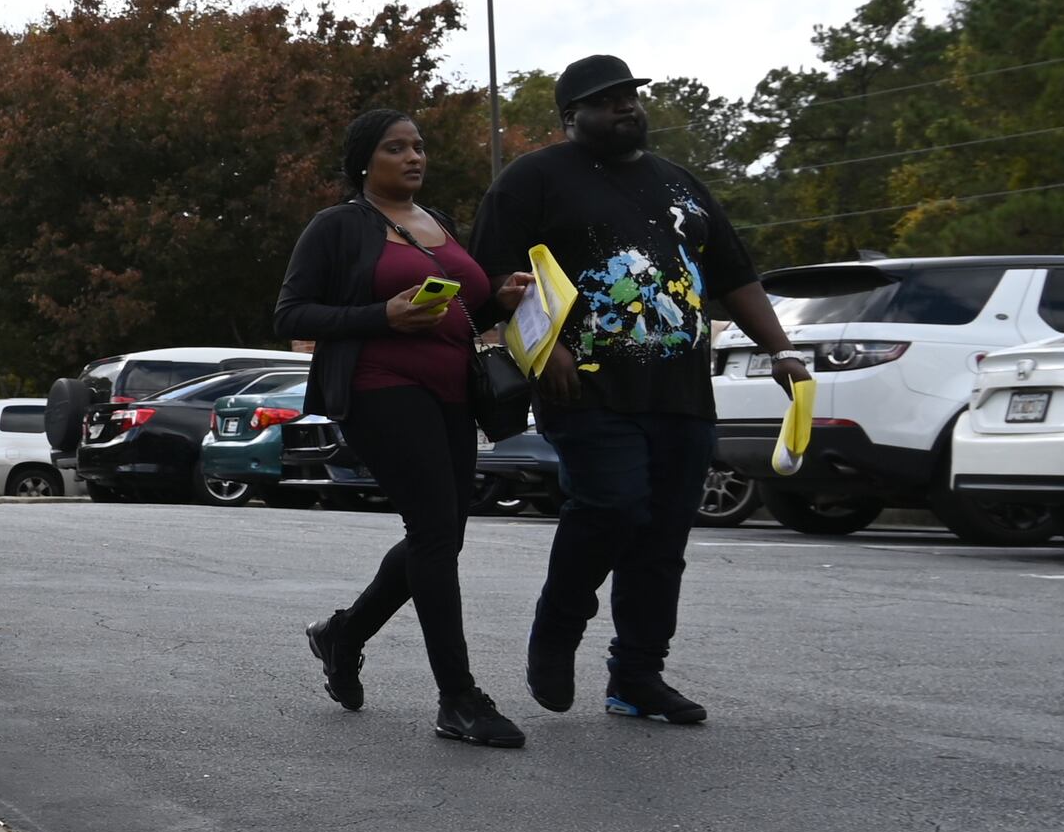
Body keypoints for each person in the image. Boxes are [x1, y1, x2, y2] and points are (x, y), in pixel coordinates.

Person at [469, 55, 810, 724]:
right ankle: (557, 627)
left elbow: (735, 275)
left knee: (662, 542)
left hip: (681, 391)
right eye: (608, 100)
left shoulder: (679, 185)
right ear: (572, 116)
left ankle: (636, 676)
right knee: (612, 507)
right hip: (586, 385)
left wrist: (783, 349)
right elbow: (492, 281)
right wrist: (548, 346)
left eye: (630, 96)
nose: (627, 107)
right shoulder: (532, 181)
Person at [279, 111, 534, 747]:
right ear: (366, 161)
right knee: (433, 531)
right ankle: (458, 699)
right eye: (396, 148)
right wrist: (382, 314)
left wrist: (500, 299)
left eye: (418, 146)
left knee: (440, 539)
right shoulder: (337, 226)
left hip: (454, 393)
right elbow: (292, 311)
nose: (413, 157)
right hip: (379, 389)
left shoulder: (438, 222)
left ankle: (343, 634)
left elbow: (464, 308)